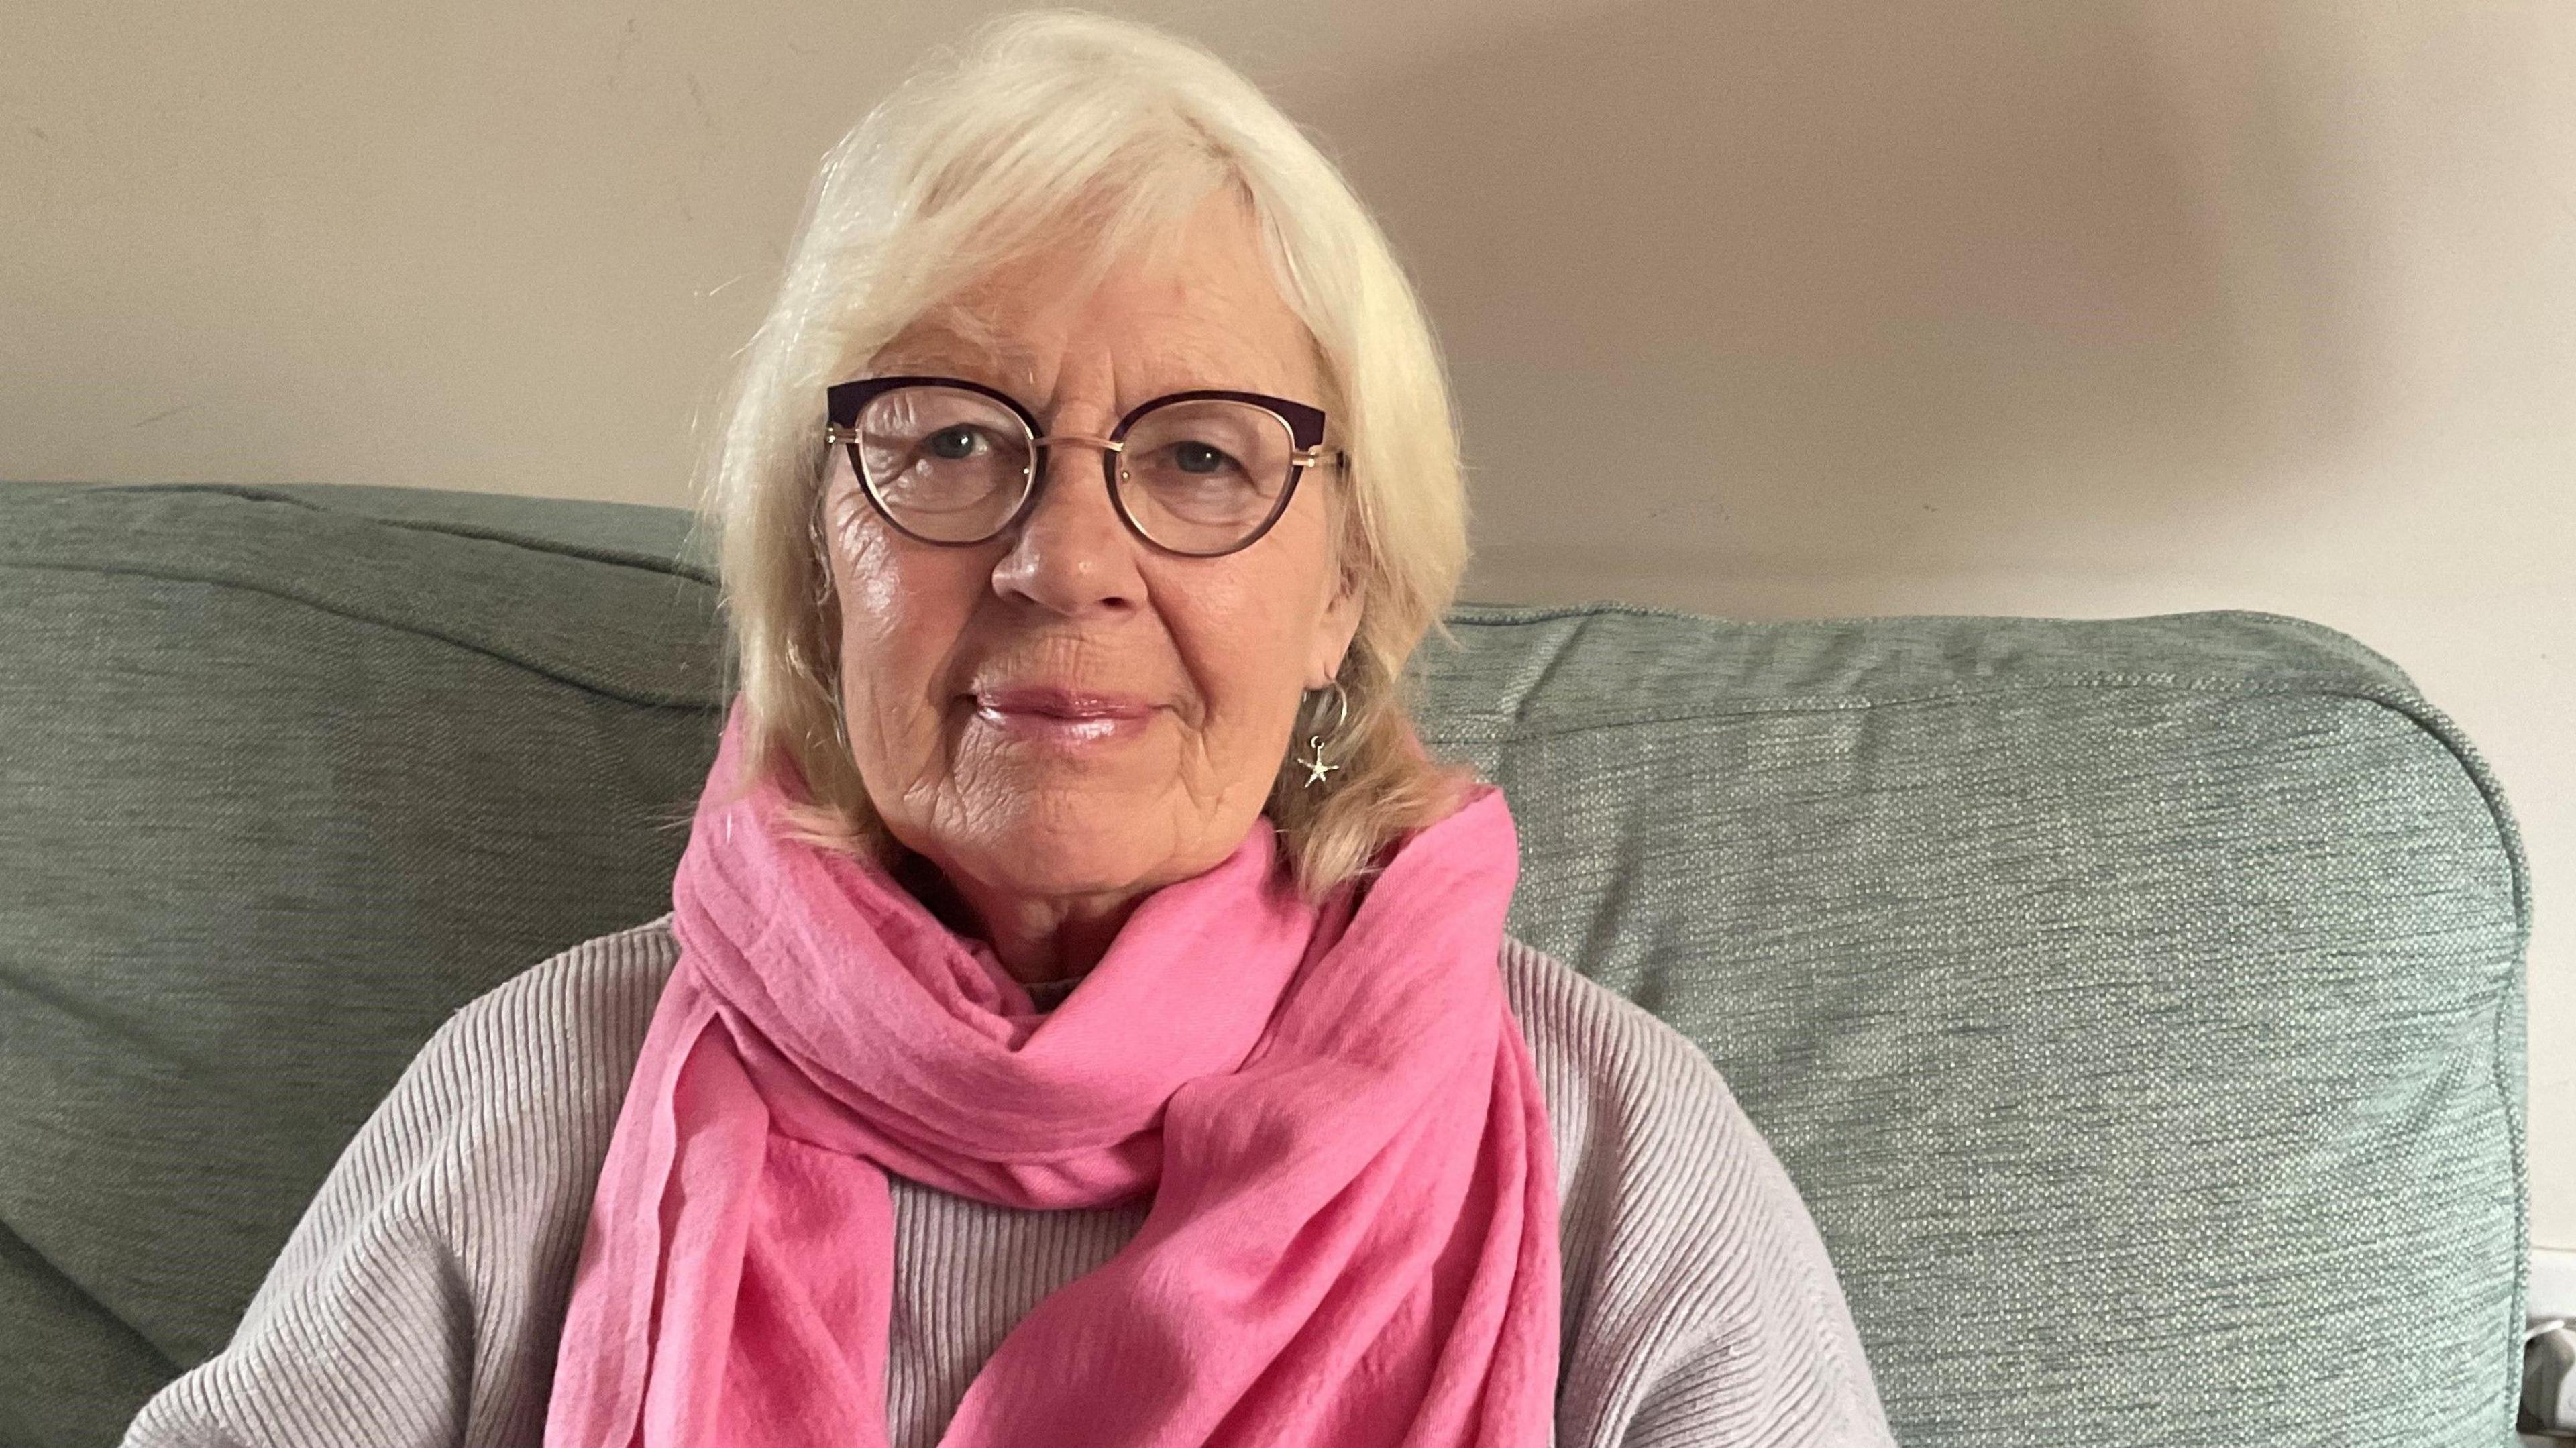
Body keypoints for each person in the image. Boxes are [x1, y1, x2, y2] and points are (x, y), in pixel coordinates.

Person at [124, 12, 1895, 1447]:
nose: (1064, 564)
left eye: (1203, 457)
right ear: (821, 550)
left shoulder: (1609, 1155)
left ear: (1345, 583)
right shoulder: (545, 1095)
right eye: (955, 441)